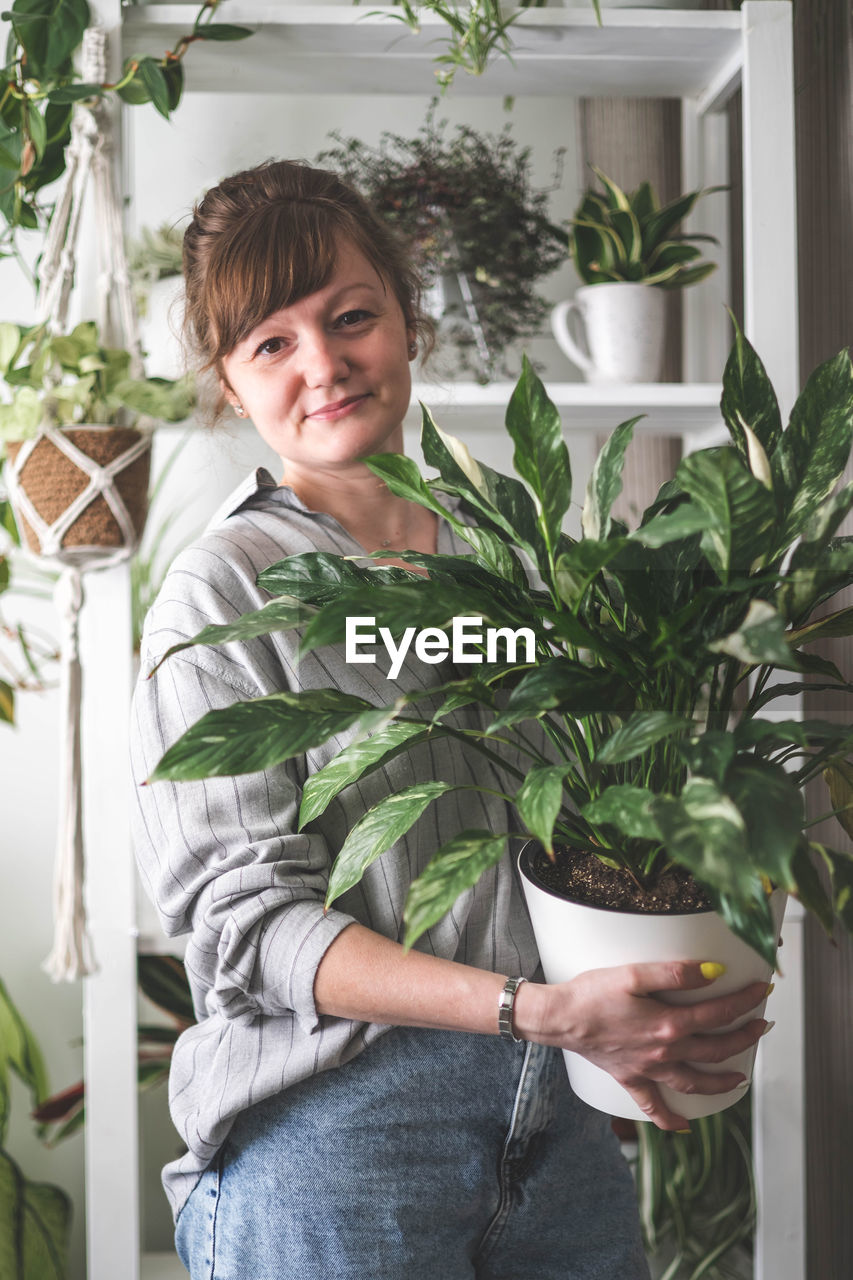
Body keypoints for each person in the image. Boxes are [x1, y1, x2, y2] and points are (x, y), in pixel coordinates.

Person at [130, 159, 771, 1280]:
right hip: (333, 1139)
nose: (322, 364)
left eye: (350, 316)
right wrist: (544, 1010)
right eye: (271, 344)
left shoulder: (514, 566)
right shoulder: (224, 593)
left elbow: (591, 824)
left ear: (409, 320)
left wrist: (669, 994)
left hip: (557, 1131)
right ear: (229, 385)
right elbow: (246, 924)